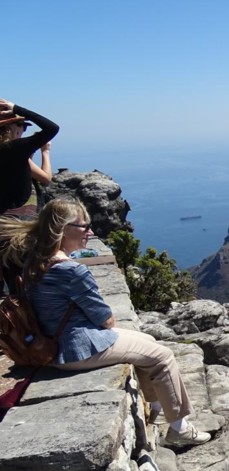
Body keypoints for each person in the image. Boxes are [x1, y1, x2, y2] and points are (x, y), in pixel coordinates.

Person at [0, 198, 211, 448]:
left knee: (148, 341)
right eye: (83, 226)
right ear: (63, 229)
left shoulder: (35, 262)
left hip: (54, 342)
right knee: (163, 355)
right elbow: (106, 320)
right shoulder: (71, 271)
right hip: (78, 348)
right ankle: (180, 428)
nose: (90, 232)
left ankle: (155, 409)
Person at [0, 99, 59, 293]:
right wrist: (17, 108)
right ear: (9, 128)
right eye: (21, 126)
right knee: (20, 277)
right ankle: (20, 317)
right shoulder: (15, 149)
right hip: (16, 224)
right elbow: (51, 128)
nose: (23, 131)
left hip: (4, 221)